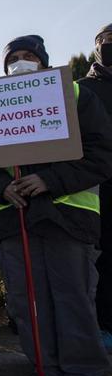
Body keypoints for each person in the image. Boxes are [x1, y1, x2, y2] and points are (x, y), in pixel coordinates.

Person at [0, 35, 112, 376]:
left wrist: (50, 180)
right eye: (14, 58)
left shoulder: (77, 95)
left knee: (73, 301)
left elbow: (102, 156)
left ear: (44, 62)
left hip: (68, 219)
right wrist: (0, 187)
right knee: (26, 305)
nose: (21, 62)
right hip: (13, 218)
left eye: (29, 56)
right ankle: (46, 373)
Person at [78, 22, 112, 352]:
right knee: (97, 263)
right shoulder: (79, 90)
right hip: (96, 188)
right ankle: (100, 326)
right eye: (108, 41)